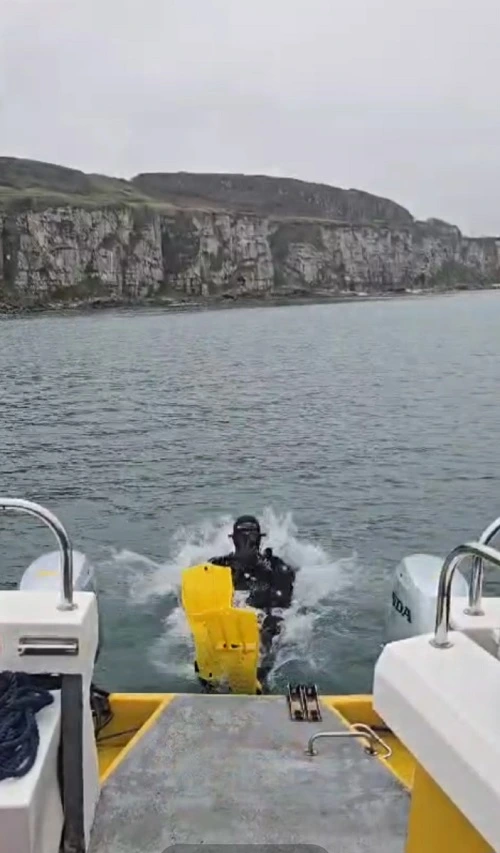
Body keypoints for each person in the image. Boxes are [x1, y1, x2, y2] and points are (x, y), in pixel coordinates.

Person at [210, 515, 297, 685]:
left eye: (252, 537)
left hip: (262, 622)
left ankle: (259, 679)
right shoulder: (218, 566)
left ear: (259, 540)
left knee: (270, 635)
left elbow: (282, 603)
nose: (247, 542)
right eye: (242, 538)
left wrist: (272, 622)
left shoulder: (275, 566)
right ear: (234, 540)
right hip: (227, 623)